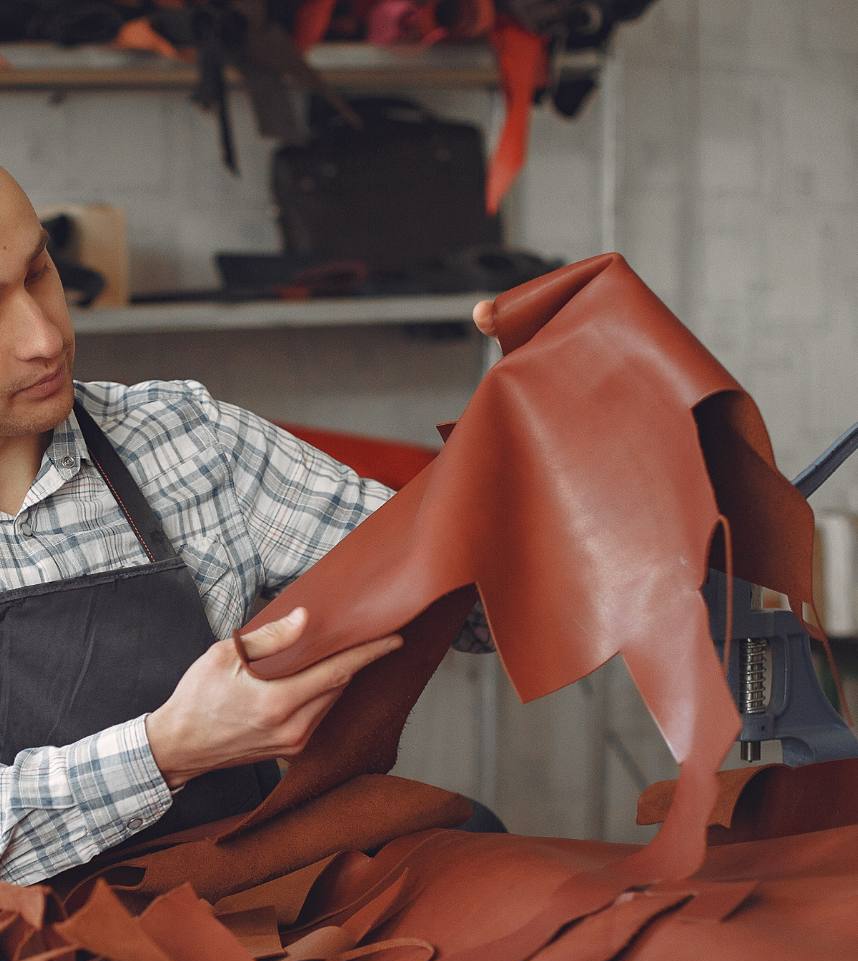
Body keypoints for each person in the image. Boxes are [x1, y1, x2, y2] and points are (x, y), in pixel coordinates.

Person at [0, 166, 499, 885]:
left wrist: (537, 434)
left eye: (38, 273)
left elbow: (470, 600)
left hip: (243, 897)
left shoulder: (186, 440)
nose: (44, 338)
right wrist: (168, 751)